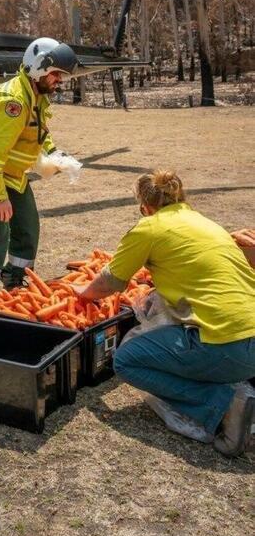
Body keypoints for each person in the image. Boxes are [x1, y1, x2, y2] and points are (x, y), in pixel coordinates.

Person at [76, 170, 255, 457]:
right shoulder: (207, 223)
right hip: (249, 340)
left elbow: (111, 281)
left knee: (126, 361)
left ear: (145, 206)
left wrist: (82, 293)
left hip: (230, 347)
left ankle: (222, 406)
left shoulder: (149, 227)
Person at [0, 37, 78, 307]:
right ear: (39, 68)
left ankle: (15, 280)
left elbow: (36, 133)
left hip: (12, 175)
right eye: (56, 74)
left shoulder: (35, 96)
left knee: (27, 225)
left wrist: (54, 152)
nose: (60, 80)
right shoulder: (13, 102)